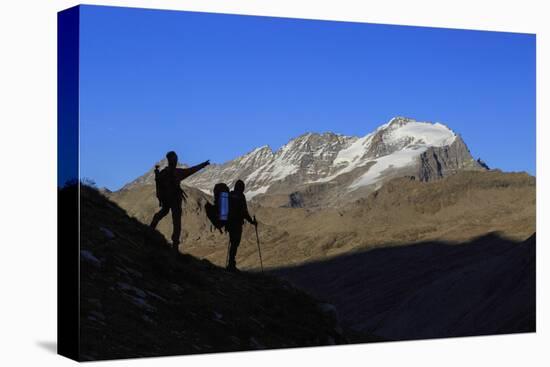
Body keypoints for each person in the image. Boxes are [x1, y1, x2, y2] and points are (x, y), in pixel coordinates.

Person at [150, 151, 210, 250]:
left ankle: (152, 228)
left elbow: (158, 183)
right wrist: (203, 165)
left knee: (165, 213)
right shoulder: (176, 172)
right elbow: (191, 170)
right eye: (175, 158)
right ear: (172, 160)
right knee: (176, 222)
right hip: (174, 200)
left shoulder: (165, 173)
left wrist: (203, 165)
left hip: (168, 199)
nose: (177, 159)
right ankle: (175, 245)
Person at [226, 179, 257, 271]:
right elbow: (244, 212)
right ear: (242, 188)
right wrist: (251, 221)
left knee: (233, 243)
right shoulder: (241, 197)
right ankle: (231, 264)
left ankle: (231, 263)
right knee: (235, 243)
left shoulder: (230, 195)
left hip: (230, 223)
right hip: (237, 224)